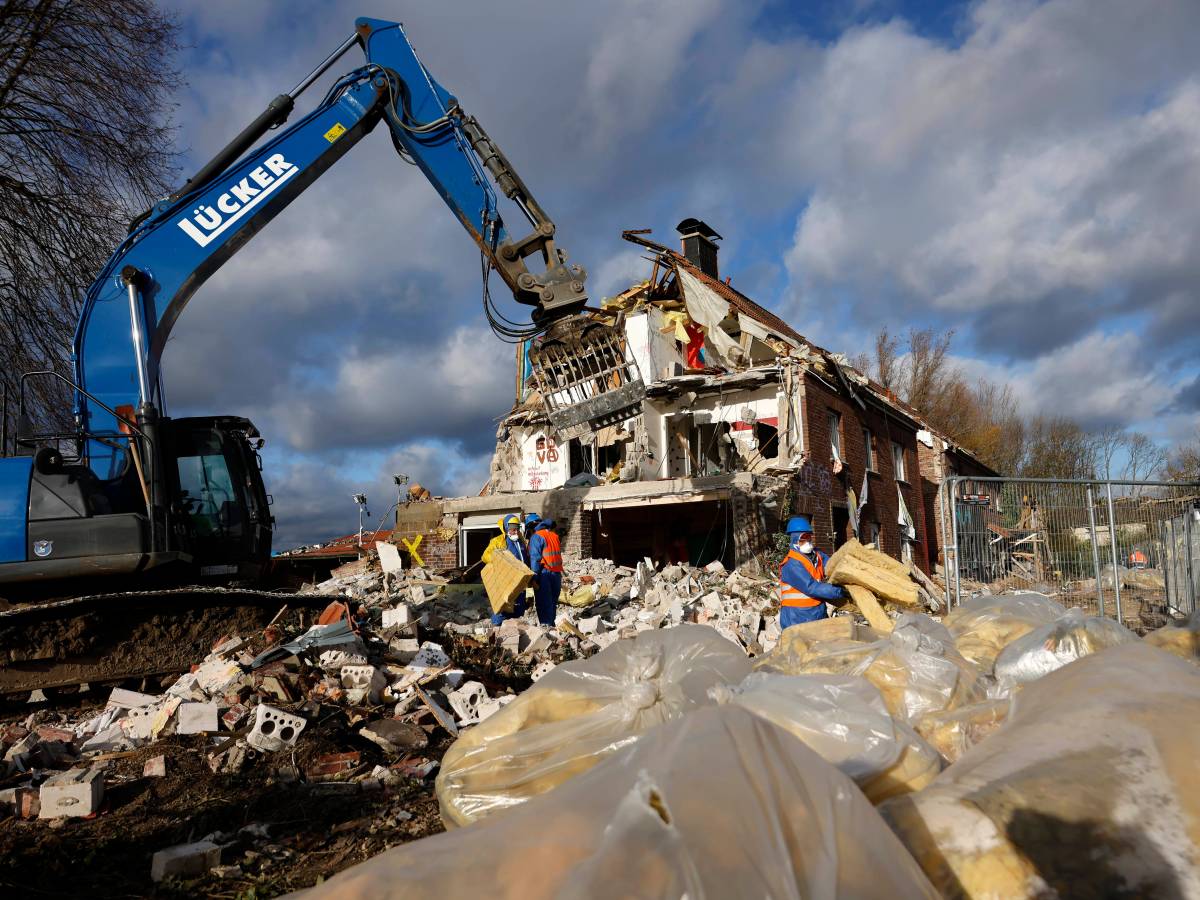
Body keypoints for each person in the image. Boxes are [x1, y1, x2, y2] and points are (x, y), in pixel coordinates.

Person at [778, 516, 848, 629]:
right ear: (794, 539)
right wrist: (840, 591)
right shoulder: (791, 564)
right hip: (797, 618)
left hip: (818, 613)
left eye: (809, 536)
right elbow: (811, 587)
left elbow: (832, 566)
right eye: (803, 538)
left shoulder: (818, 556)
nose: (808, 541)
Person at [482, 514, 530, 626]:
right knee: (502, 609)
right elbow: (485, 556)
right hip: (505, 582)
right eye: (512, 528)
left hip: (520, 583)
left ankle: (515, 635)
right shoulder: (498, 541)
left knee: (518, 610)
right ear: (506, 527)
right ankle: (496, 632)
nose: (515, 531)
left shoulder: (521, 542)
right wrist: (501, 561)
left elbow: (525, 560)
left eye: (517, 528)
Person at [528, 516, 563, 627]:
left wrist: (534, 578)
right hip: (556, 574)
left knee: (543, 603)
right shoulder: (554, 536)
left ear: (531, 527)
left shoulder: (536, 537)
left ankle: (546, 628)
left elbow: (535, 559)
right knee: (552, 603)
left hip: (544, 574)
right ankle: (551, 626)